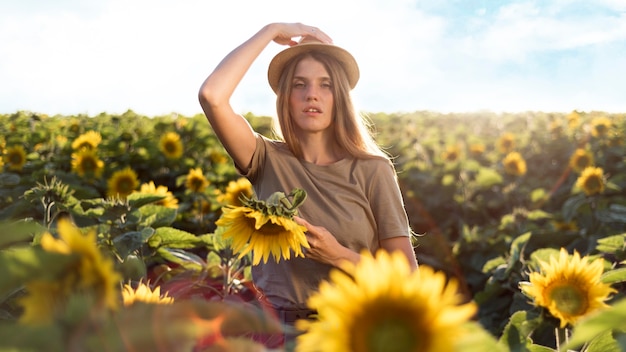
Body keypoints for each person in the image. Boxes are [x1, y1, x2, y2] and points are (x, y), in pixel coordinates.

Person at [198, 22, 418, 330]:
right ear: (285, 97)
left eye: (325, 85)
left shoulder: (373, 170)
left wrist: (337, 255)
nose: (311, 95)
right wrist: (271, 31)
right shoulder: (265, 159)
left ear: (338, 97)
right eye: (299, 85)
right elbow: (212, 96)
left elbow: (407, 277)